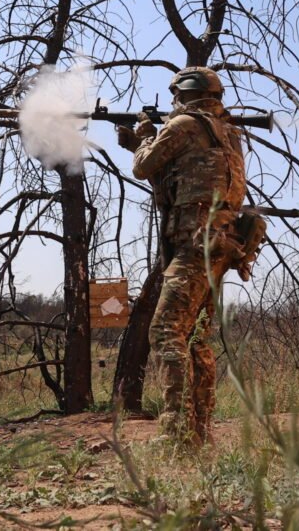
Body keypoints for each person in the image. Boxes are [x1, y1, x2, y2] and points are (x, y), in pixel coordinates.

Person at [117, 66, 246, 445]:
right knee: (195, 339)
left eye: (175, 96)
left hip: (194, 243)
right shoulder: (227, 134)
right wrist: (139, 142)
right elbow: (180, 179)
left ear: (184, 93)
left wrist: (143, 138)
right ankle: (199, 431)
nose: (172, 103)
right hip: (219, 244)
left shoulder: (184, 125)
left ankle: (177, 433)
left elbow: (143, 167)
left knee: (165, 332)